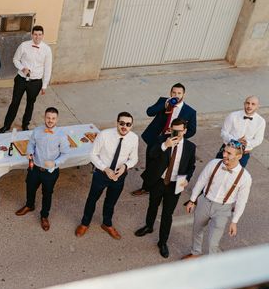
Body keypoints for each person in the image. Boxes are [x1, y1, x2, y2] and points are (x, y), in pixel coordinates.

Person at [134, 118, 196, 258]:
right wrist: (164, 145)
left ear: (185, 131)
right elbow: (151, 154)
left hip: (175, 184)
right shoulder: (162, 140)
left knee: (167, 214)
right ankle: (149, 226)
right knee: (152, 205)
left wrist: (187, 179)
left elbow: (191, 166)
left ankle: (162, 242)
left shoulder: (190, 147)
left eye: (179, 131)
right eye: (173, 130)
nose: (176, 133)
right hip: (159, 181)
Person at [183, 140, 252, 258]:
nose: (224, 155)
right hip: (204, 201)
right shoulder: (214, 163)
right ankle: (195, 253)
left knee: (213, 242)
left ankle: (212, 264)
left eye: (229, 153)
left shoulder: (245, 177)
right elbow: (201, 181)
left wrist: (234, 221)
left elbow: (242, 201)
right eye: (224, 151)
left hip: (223, 209)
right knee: (197, 230)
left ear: (239, 156)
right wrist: (192, 200)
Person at [76, 112, 139, 240]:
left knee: (111, 202)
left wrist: (125, 167)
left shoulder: (134, 138)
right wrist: (105, 169)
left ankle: (107, 224)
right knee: (92, 200)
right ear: (117, 123)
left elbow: (134, 158)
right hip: (101, 174)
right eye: (121, 123)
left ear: (131, 126)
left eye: (128, 124)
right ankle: (85, 223)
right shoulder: (104, 135)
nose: (124, 126)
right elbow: (93, 154)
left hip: (119, 176)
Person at [132, 83, 197, 196]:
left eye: (179, 93)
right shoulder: (163, 101)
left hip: (172, 142)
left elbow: (192, 130)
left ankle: (163, 190)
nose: (176, 95)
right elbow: (149, 112)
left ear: (184, 94)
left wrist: (178, 135)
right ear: (170, 93)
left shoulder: (190, 111)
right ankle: (146, 188)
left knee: (167, 164)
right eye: (174, 92)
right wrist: (165, 105)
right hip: (156, 139)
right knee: (150, 163)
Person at [15, 107, 69, 231]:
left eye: (53, 118)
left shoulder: (61, 136)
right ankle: (29, 205)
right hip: (35, 168)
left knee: (47, 194)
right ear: (44, 117)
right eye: (48, 118)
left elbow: (66, 153)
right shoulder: (37, 130)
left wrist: (55, 163)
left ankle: (44, 216)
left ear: (57, 119)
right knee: (30, 187)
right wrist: (29, 152)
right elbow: (31, 144)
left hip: (50, 172)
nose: (50, 120)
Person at [0, 25, 52, 133]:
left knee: (30, 104)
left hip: (36, 82)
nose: (37, 37)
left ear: (43, 36)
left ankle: (25, 125)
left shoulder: (47, 49)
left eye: (40, 35)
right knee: (15, 102)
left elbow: (48, 68)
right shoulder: (24, 45)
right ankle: (6, 125)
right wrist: (22, 68)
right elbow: (15, 59)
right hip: (21, 79)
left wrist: (44, 85)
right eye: (35, 34)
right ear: (32, 35)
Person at [217, 96, 265, 167]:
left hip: (244, 154)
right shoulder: (233, 116)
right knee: (217, 169)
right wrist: (235, 141)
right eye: (247, 103)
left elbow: (259, 139)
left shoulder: (261, 121)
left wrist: (247, 143)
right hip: (227, 150)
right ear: (244, 104)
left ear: (258, 106)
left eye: (253, 104)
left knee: (236, 175)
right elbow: (223, 132)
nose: (249, 106)